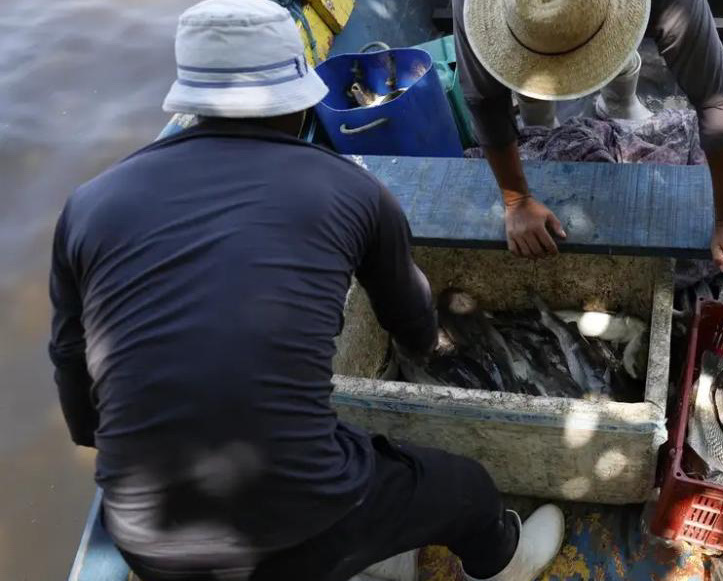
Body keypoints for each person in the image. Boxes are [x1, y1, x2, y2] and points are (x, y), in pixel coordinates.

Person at [47, 1, 563, 580]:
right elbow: (416, 330)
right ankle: (500, 564)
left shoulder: (87, 204)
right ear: (299, 102)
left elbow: (75, 378)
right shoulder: (353, 189)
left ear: (187, 99)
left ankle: (374, 550)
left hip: (144, 540)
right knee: (468, 488)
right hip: (302, 527)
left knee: (333, 442)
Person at [454, 0, 723, 274]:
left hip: (610, 23)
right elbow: (485, 104)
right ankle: (538, 114)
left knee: (612, 51)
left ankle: (618, 101)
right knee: (531, 96)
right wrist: (517, 200)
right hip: (523, 44)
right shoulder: (474, 11)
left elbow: (716, 99)